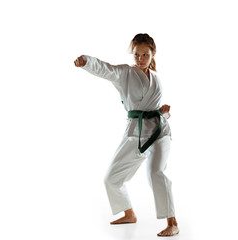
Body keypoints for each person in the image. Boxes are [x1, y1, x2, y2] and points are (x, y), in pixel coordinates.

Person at [74, 33, 179, 237]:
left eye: (145, 55)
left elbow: (152, 107)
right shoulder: (125, 73)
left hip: (159, 132)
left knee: (155, 172)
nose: (140, 59)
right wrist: (87, 61)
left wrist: (164, 112)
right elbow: (105, 69)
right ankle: (129, 213)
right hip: (135, 133)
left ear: (153, 53)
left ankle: (172, 222)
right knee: (111, 178)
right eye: (137, 55)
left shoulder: (156, 77)